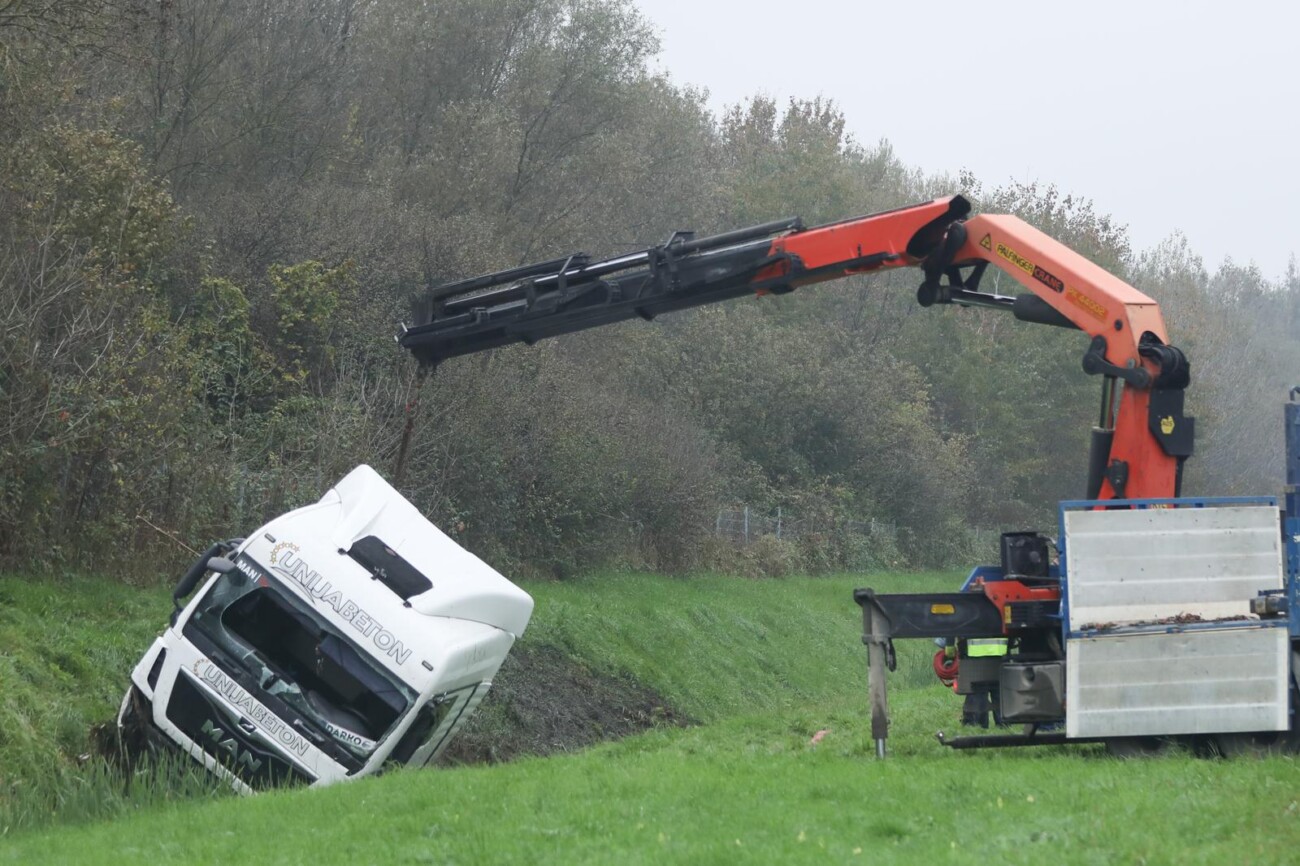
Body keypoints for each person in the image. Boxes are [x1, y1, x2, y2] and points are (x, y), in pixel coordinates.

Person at [960, 637, 1007, 728]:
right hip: (1000, 650)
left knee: (978, 690)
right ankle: (1004, 723)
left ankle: (976, 723)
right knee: (999, 690)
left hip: (976, 652)